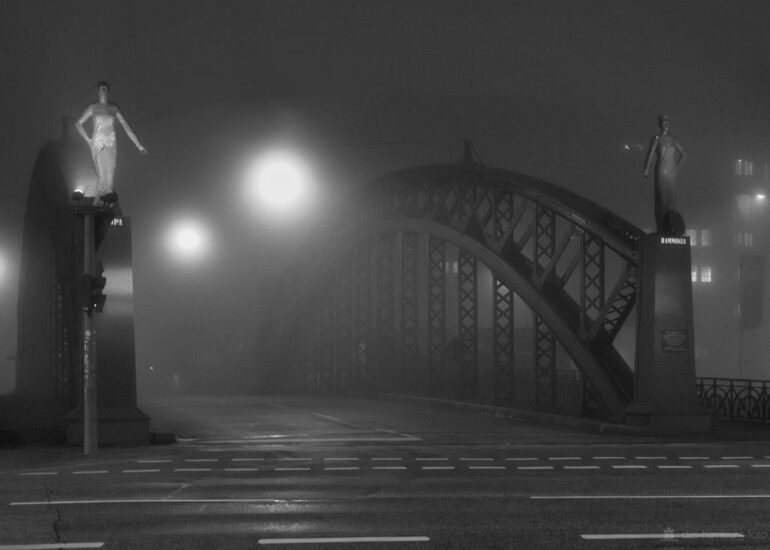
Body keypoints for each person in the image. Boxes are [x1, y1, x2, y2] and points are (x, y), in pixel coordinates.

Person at [75, 81, 147, 204]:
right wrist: (88, 140)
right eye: (101, 89)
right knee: (101, 174)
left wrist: (139, 145)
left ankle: (102, 203)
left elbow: (126, 127)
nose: (103, 91)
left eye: (105, 89)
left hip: (111, 143)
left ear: (108, 91)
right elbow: (78, 124)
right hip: (97, 144)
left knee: (109, 175)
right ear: (98, 91)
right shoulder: (93, 108)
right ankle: (101, 203)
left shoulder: (113, 109)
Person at [642, 114, 686, 234]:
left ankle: (671, 227)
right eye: (663, 121)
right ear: (659, 124)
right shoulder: (656, 138)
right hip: (661, 172)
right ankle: (661, 228)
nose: (665, 123)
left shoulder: (672, 140)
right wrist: (646, 168)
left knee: (671, 202)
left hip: (671, 175)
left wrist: (676, 167)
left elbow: (683, 154)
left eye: (667, 121)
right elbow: (650, 154)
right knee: (661, 201)